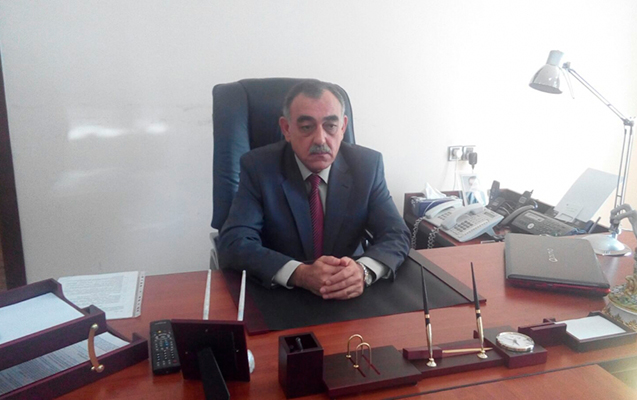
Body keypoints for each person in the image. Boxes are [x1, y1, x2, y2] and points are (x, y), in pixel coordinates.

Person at [218, 79, 410, 300]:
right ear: (287, 129)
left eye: (330, 126)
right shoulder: (258, 168)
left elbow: (397, 233)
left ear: (343, 127)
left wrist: (363, 271)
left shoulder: (367, 166)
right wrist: (300, 274)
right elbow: (235, 242)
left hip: (348, 293)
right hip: (283, 295)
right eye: (307, 127)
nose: (320, 139)